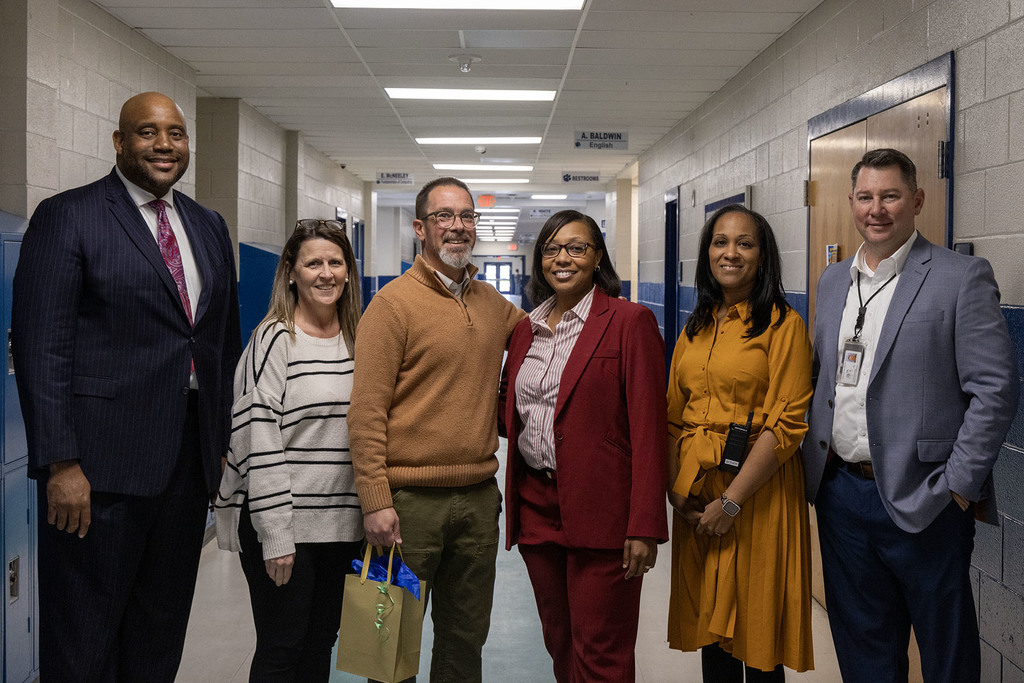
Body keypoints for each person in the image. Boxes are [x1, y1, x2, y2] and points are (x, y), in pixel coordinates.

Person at [11, 91, 241, 681]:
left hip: (186, 468)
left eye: (176, 134)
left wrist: (219, 442)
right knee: (84, 639)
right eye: (147, 132)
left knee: (159, 632)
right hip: (98, 473)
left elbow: (219, 344)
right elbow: (43, 347)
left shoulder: (208, 226)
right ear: (119, 142)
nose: (164, 145)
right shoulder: (69, 216)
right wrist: (61, 464)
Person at [803, 148, 1019, 683]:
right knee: (863, 652)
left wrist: (958, 489)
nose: (877, 209)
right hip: (842, 498)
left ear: (917, 200)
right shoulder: (832, 282)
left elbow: (995, 388)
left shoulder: (960, 277)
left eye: (891, 195)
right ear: (851, 202)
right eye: (866, 197)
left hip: (927, 500)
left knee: (946, 657)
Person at [347, 177, 525, 682]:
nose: (458, 227)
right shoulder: (392, 305)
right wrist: (376, 499)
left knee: (465, 640)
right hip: (406, 508)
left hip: (475, 503)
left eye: (467, 216)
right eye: (445, 216)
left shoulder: (494, 305)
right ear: (420, 228)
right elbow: (366, 412)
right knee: (389, 644)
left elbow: (545, 336)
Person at [498, 210, 668, 683]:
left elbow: (651, 430)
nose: (563, 258)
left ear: (597, 258)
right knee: (560, 643)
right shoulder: (525, 329)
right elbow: (515, 411)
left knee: (601, 653)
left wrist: (645, 525)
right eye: (551, 249)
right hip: (537, 506)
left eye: (577, 247)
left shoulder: (629, 321)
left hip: (604, 512)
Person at [666, 205, 814, 681]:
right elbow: (672, 416)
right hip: (698, 497)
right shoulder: (696, 326)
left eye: (744, 243)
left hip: (757, 496)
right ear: (706, 252)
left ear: (764, 254)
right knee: (713, 633)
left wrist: (730, 503)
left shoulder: (782, 325)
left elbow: (786, 424)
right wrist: (677, 491)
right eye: (720, 242)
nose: (730, 253)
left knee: (757, 632)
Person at [215, 219, 363, 681]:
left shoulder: (360, 339)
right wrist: (276, 535)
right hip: (286, 525)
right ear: (291, 272)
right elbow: (257, 440)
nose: (326, 273)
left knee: (321, 644)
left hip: (343, 525)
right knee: (283, 648)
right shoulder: (274, 339)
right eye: (313, 262)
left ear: (348, 271)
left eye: (335, 262)